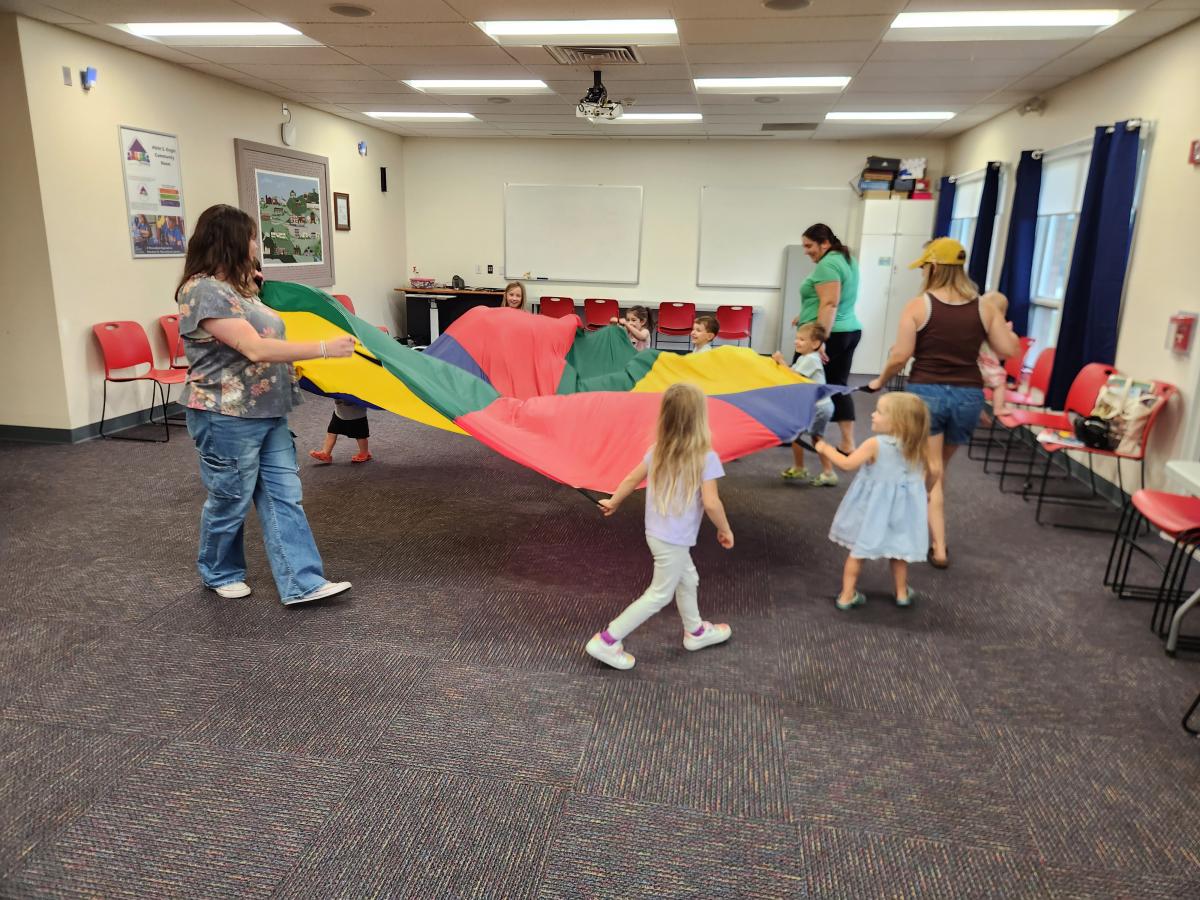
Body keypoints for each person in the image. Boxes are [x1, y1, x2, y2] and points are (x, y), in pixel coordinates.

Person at [176, 203, 355, 606]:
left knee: (282, 494)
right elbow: (254, 347)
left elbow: (266, 328)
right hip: (225, 413)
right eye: (253, 237)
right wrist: (325, 349)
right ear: (231, 241)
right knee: (231, 497)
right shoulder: (202, 291)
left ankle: (302, 581)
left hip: (269, 410)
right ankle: (219, 571)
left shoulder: (241, 289)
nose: (258, 244)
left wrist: (254, 286)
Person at [866, 238, 1020, 569]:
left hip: (928, 393)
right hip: (968, 396)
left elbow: (901, 354)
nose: (922, 272)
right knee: (939, 469)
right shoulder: (984, 307)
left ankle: (926, 541)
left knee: (929, 469)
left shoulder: (919, 306)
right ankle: (933, 540)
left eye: (924, 266)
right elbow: (1008, 349)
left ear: (934, 267)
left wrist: (880, 380)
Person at [585, 383, 734, 670]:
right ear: (700, 419)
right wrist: (725, 529)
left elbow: (630, 480)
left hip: (658, 534)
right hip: (675, 539)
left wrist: (614, 502)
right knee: (659, 594)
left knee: (687, 578)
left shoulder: (658, 450)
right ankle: (606, 640)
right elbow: (712, 503)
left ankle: (696, 632)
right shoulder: (706, 457)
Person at [813, 392, 932, 610]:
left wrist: (825, 449)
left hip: (874, 509)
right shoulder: (918, 445)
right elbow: (932, 473)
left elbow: (847, 464)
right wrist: (925, 493)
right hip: (904, 510)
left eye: (879, 412)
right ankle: (902, 593)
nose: (872, 414)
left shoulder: (875, 444)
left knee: (859, 551)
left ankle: (847, 595)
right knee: (899, 551)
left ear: (897, 421)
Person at [792, 223, 861, 456]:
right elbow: (827, 298)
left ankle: (794, 434)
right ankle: (848, 443)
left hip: (829, 334)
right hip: (848, 329)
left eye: (809, 245)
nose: (806, 251)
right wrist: (804, 314)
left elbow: (830, 303)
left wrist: (820, 340)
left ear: (825, 243)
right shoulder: (846, 259)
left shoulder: (827, 264)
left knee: (798, 381)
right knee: (838, 386)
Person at [774, 322, 837, 486]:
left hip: (819, 408)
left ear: (815, 344)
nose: (796, 342)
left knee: (817, 439)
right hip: (809, 406)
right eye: (796, 338)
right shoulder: (804, 358)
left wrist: (781, 361)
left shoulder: (811, 360)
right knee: (796, 435)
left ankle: (829, 472)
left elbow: (793, 376)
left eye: (801, 339)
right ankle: (799, 467)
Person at [978, 292, 1011, 418]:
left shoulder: (977, 324)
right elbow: (1005, 349)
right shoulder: (998, 327)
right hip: (989, 366)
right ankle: (998, 407)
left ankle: (979, 409)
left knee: (976, 388)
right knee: (1000, 382)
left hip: (975, 366)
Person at [310, 400, 372, 465]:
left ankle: (364, 453)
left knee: (360, 436)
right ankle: (326, 454)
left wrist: (343, 399)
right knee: (332, 432)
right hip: (339, 414)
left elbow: (350, 401)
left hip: (356, 416)